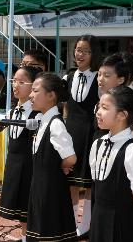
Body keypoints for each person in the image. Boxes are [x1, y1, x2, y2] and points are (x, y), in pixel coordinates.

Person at [27, 73, 77, 242]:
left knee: (50, 232)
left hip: (51, 190)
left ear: (51, 96)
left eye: (35, 91)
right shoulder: (42, 120)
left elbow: (71, 158)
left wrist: (59, 164)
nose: (30, 95)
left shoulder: (55, 124)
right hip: (40, 187)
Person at [89, 86, 133, 242]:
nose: (98, 111)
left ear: (122, 115)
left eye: (105, 108)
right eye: (98, 106)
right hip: (98, 221)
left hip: (124, 226)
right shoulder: (98, 144)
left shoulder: (132, 150)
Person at [0, 66, 40, 242]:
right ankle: (24, 236)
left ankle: (30, 237)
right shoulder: (12, 111)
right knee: (20, 208)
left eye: (22, 82)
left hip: (30, 166)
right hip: (14, 163)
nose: (16, 85)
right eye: (14, 81)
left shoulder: (38, 115)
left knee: (28, 206)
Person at [64, 35, 101, 237]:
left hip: (91, 132)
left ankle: (85, 225)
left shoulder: (99, 77)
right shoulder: (69, 76)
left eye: (85, 51)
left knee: (87, 182)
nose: (80, 54)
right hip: (71, 131)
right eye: (78, 50)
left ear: (93, 54)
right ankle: (71, 223)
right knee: (71, 180)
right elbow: (66, 107)